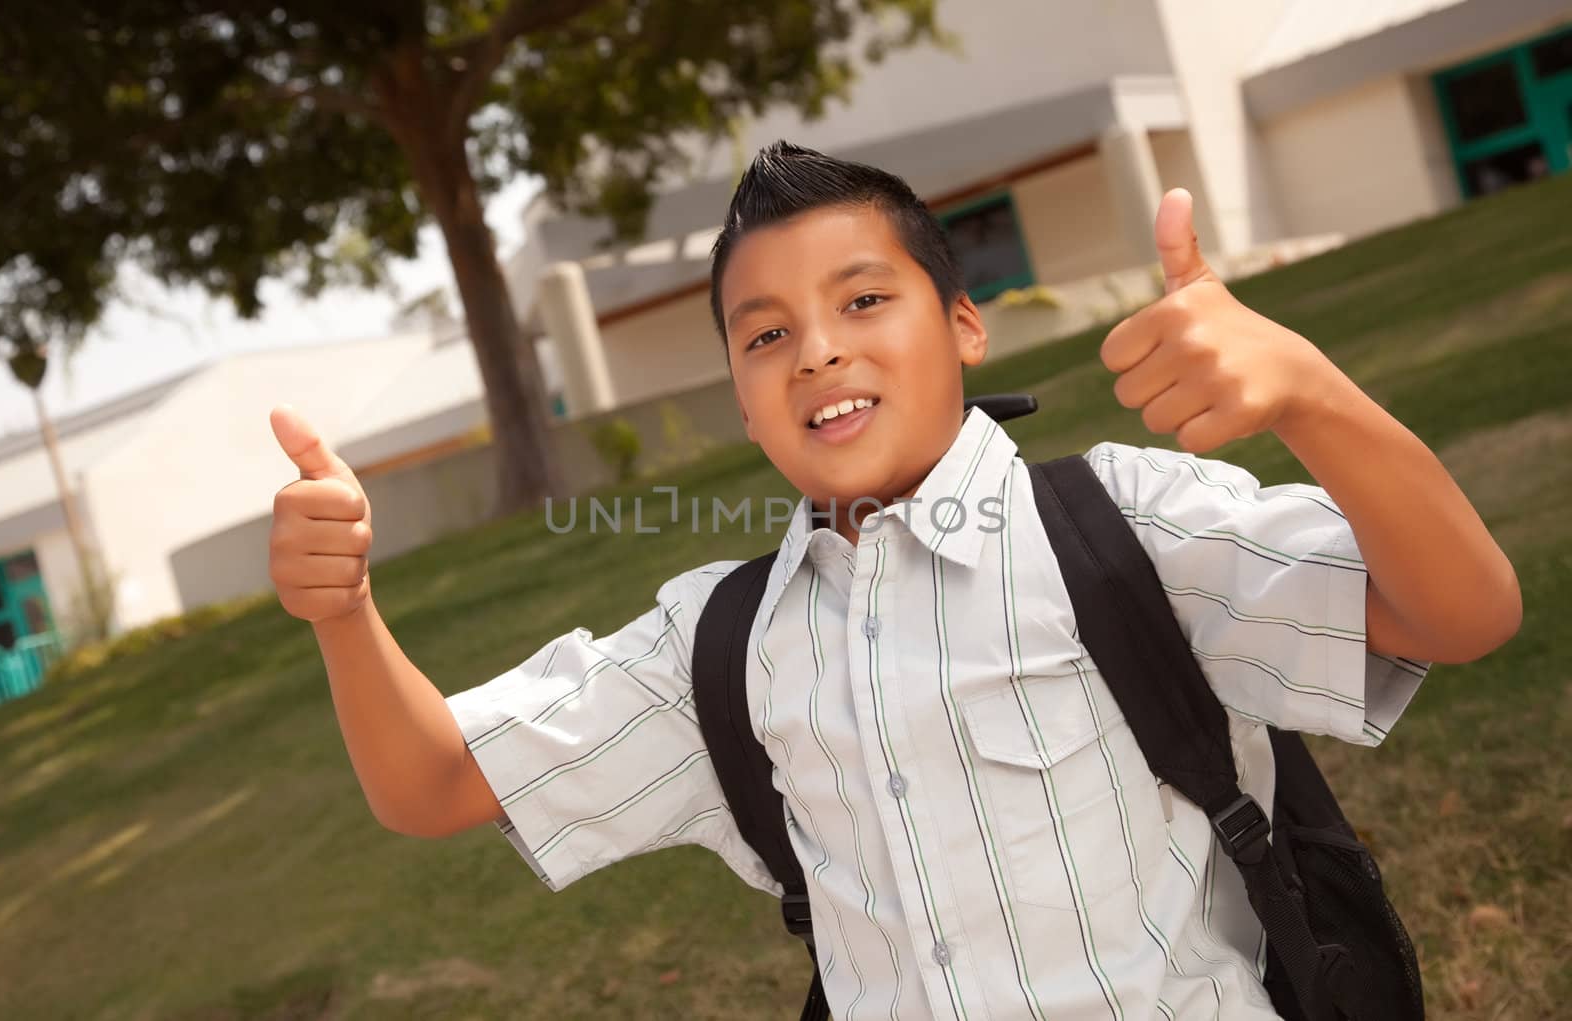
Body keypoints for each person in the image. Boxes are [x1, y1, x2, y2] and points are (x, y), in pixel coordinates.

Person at [267, 141, 1520, 1019]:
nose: (816, 349)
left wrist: (1308, 392)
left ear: (963, 325)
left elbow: (1459, 613)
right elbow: (431, 781)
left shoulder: (1120, 528)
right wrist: (343, 613)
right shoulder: (721, 643)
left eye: (864, 298)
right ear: (742, 400)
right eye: (764, 334)